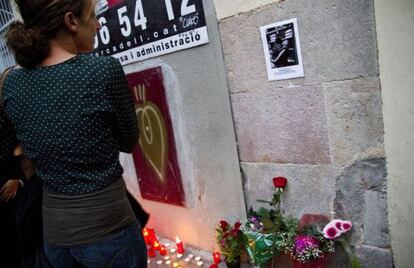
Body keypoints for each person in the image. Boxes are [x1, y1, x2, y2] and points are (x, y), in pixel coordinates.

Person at [2, 0, 147, 267]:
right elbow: (129, 141)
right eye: (92, 16)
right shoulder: (102, 71)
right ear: (71, 22)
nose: (98, 23)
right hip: (109, 232)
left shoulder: (11, 83)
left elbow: (8, 148)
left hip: (55, 238)